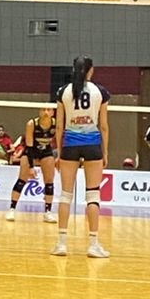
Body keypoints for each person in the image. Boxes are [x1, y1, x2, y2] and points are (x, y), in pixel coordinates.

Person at [53, 56, 110, 259]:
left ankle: (61, 244)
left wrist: (59, 153)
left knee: (65, 195)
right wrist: (105, 152)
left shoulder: (63, 91)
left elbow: (59, 126)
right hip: (92, 144)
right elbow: (103, 126)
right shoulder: (100, 92)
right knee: (93, 196)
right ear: (90, 70)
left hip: (70, 144)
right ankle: (93, 245)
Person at [6, 105, 59, 222]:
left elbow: (59, 141)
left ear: (53, 112)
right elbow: (29, 147)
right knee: (22, 180)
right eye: (43, 109)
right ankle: (12, 209)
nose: (46, 112)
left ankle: (48, 212)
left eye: (48, 110)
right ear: (39, 111)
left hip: (46, 151)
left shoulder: (56, 124)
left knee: (49, 182)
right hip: (31, 151)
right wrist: (31, 167)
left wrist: (59, 157)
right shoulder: (32, 124)